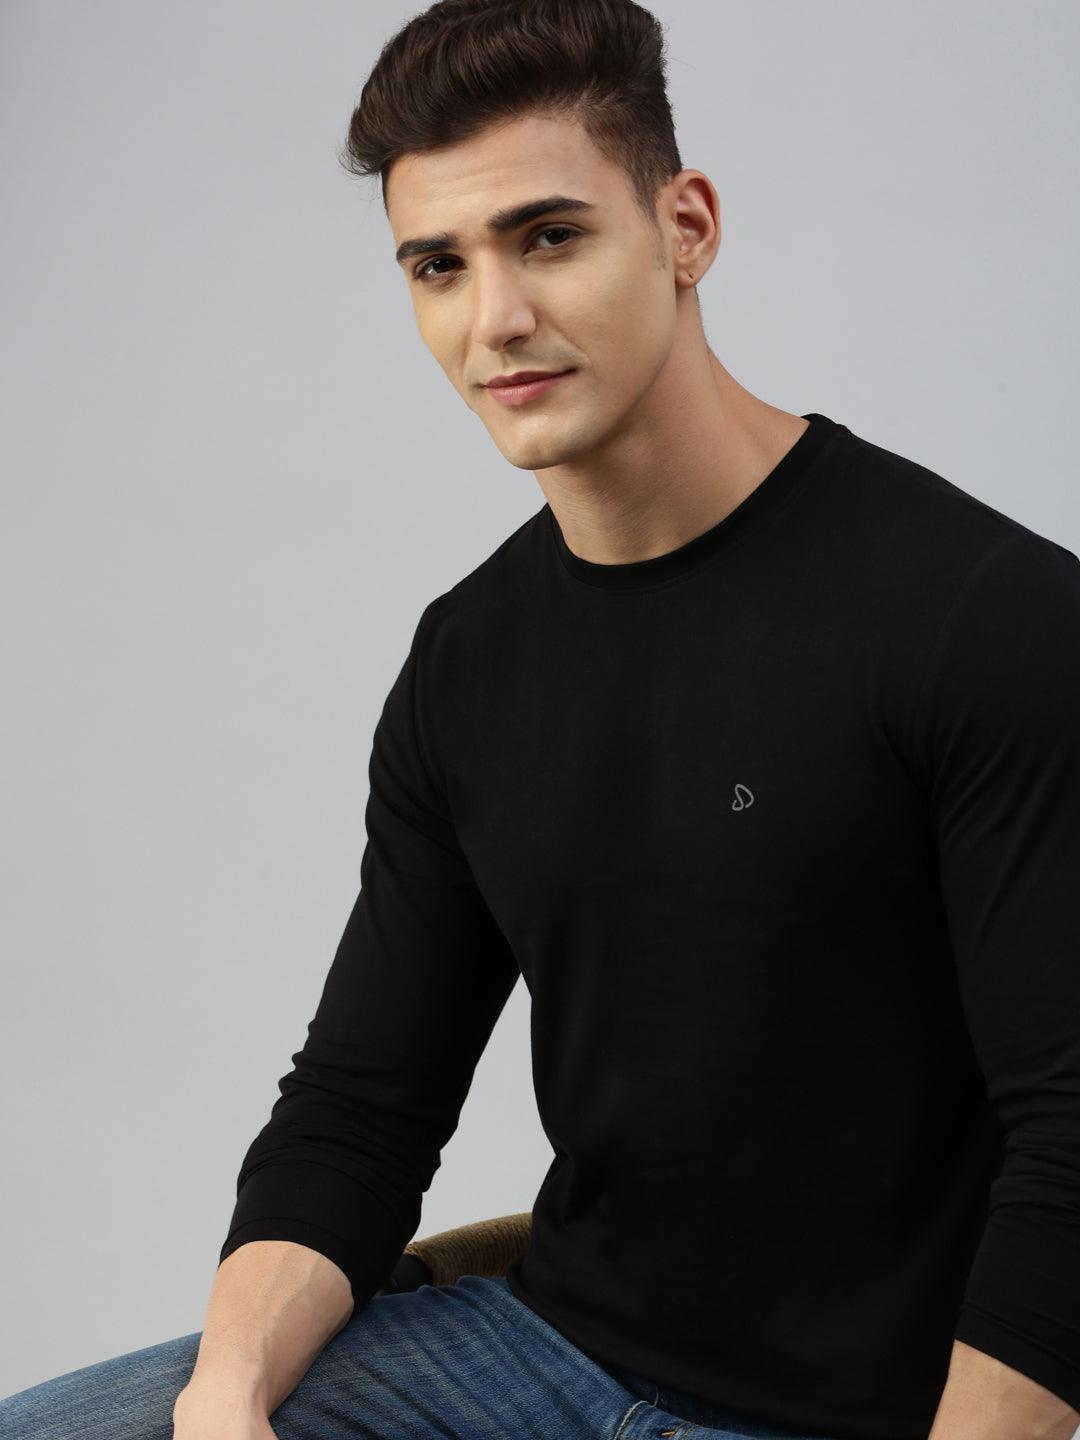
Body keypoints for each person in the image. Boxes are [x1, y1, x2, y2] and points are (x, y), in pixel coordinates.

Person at [5, 1, 1080, 1437]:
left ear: (686, 228)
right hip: (536, 1360)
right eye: (438, 265)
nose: (493, 318)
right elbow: (360, 1105)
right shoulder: (468, 661)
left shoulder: (986, 616)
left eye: (550, 237)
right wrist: (226, 1397)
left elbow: (1077, 1144)